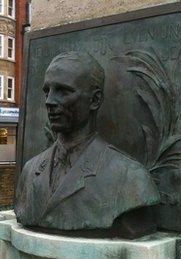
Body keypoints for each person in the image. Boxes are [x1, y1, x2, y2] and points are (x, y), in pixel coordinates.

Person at [14, 52, 160, 239]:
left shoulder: (130, 177)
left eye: (63, 91)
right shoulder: (29, 171)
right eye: (47, 91)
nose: (49, 101)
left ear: (95, 100)